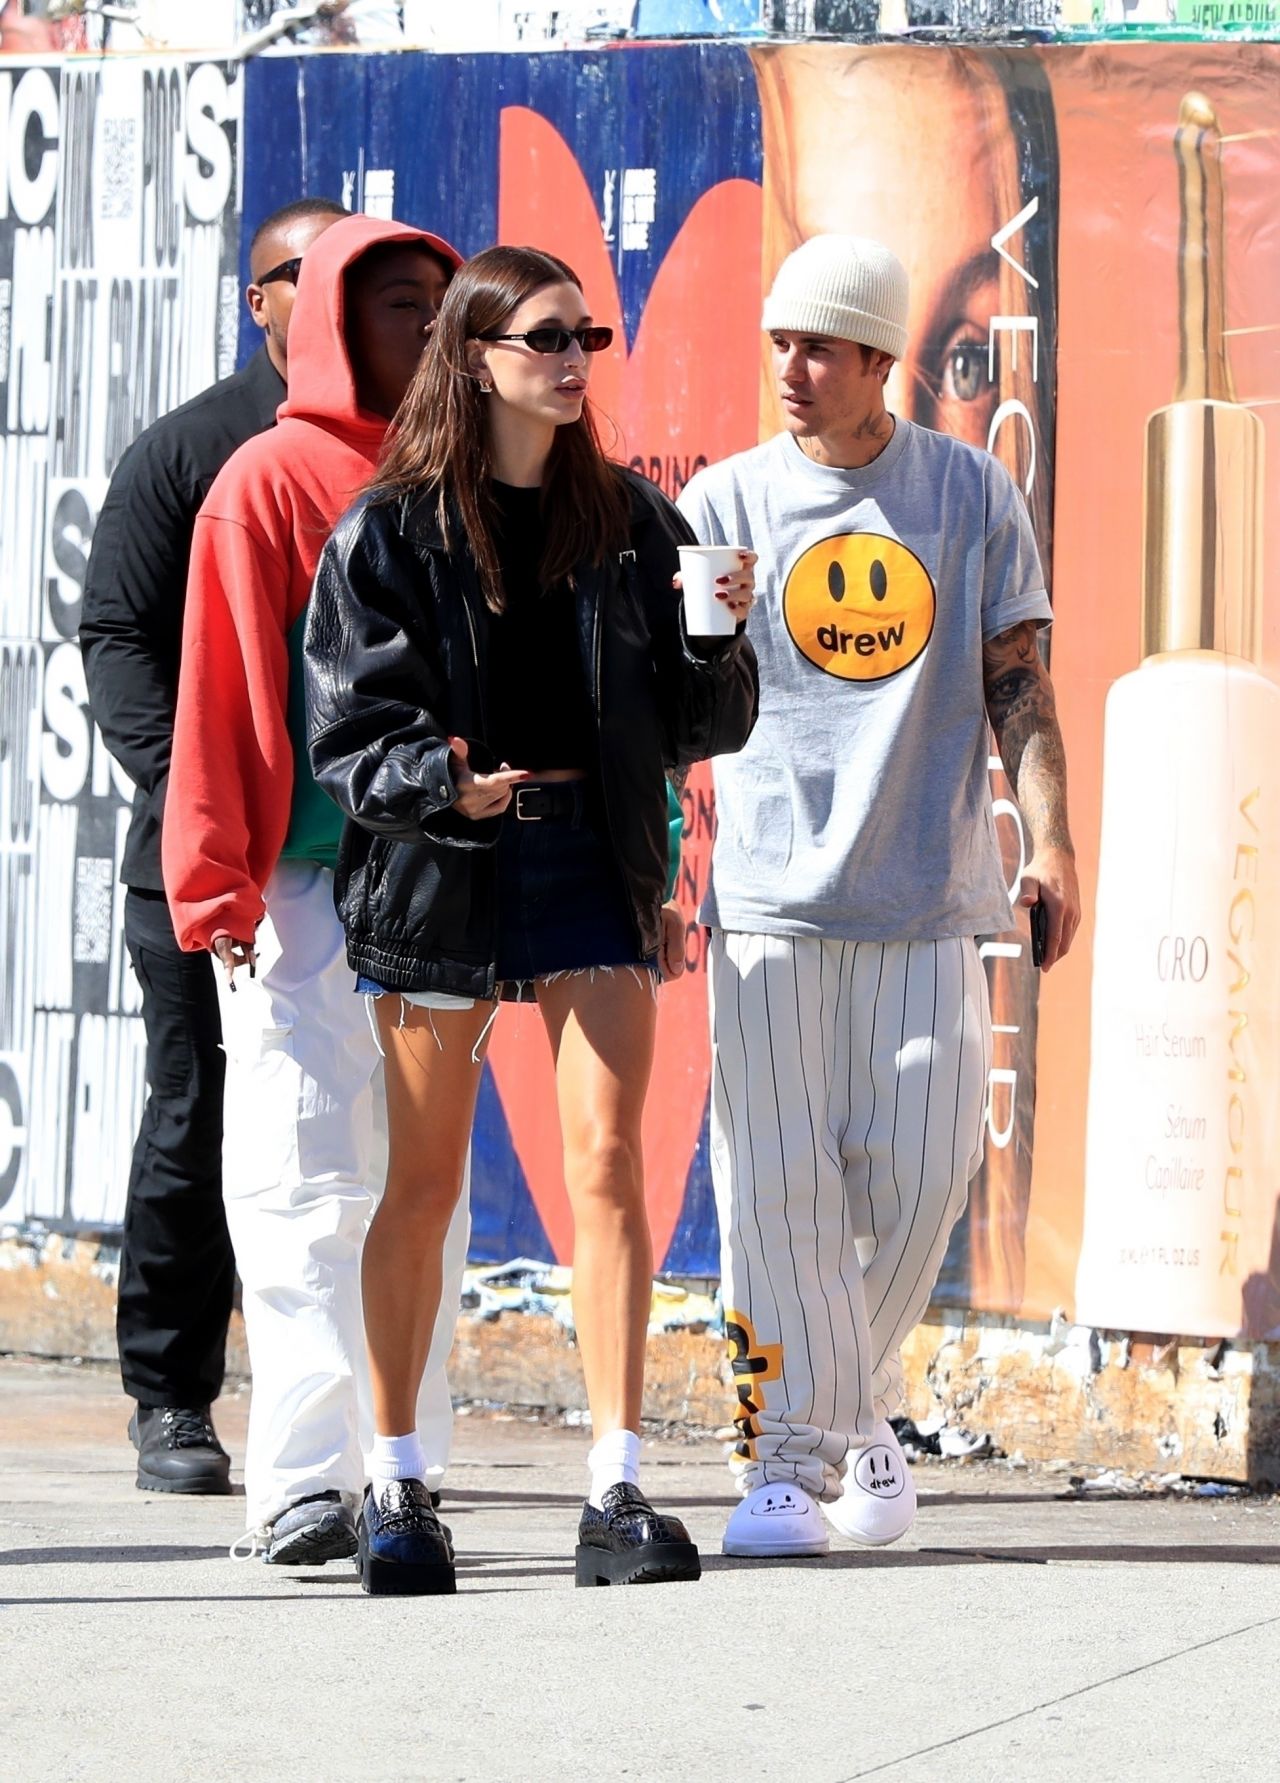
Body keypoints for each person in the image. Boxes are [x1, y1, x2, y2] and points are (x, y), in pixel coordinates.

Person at [304, 244, 759, 1595]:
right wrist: (447, 783)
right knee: (425, 1185)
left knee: (609, 1164)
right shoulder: (387, 530)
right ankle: (399, 1487)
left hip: (587, 864)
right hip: (444, 865)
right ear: (476, 355)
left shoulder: (627, 520)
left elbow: (706, 723)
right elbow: (348, 733)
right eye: (547, 338)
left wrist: (718, 639)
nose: (573, 363)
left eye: (589, 339)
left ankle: (617, 1484)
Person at [676, 234, 1080, 1558]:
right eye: (779, 343)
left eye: (821, 348)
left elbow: (1017, 683)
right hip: (774, 908)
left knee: (923, 1182)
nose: (791, 370)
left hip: (929, 898)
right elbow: (691, 694)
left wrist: (1055, 841)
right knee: (775, 1194)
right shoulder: (727, 506)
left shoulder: (966, 499)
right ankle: (786, 1465)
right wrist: (672, 857)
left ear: (879, 361)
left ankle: (844, 1418)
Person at [163, 213, 465, 1564]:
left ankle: (402, 1467)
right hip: (302, 888)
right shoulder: (268, 479)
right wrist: (213, 882)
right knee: (297, 1177)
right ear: (338, 320)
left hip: (449, 886)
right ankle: (298, 1479)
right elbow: (222, 694)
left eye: (447, 307)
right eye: (404, 305)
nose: (431, 330)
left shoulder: (477, 475)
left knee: (421, 1185)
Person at [80, 196, 346, 1494]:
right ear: (262, 300)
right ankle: (171, 1403)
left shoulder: (404, 456)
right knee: (199, 1119)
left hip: (361, 875)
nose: (338, 292)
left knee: (347, 1145)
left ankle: (359, 1419)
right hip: (207, 868)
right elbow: (117, 637)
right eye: (312, 271)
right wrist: (203, 795)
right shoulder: (191, 451)